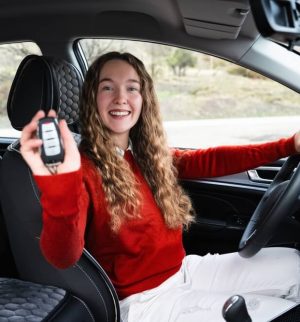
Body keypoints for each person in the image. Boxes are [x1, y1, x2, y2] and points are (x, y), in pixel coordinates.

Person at [20, 52, 300, 322]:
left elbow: (210, 160)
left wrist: (288, 146)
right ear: (92, 98)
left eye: (132, 88)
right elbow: (62, 255)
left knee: (293, 265)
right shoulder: (78, 167)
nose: (121, 98)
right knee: (276, 314)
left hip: (184, 271)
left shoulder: (145, 154)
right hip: (143, 302)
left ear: (144, 99)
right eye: (107, 88)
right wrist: (60, 187)